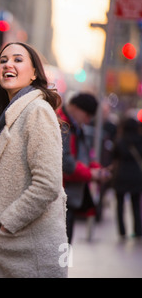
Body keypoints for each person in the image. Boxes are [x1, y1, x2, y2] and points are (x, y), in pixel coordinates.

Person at [0, 42, 68, 278]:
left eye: (17, 59)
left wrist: (6, 224)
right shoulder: (11, 114)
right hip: (12, 252)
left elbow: (47, 184)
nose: (8, 65)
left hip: (27, 253)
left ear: (34, 73)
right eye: (3, 61)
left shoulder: (37, 110)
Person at [57, 92, 110, 244]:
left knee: (65, 249)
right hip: (61, 197)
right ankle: (61, 268)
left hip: (70, 197)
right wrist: (91, 174)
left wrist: (97, 170)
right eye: (87, 115)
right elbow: (66, 163)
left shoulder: (75, 126)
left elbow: (86, 156)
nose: (87, 120)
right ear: (75, 107)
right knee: (61, 250)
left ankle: (63, 268)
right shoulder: (64, 125)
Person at [111, 117, 142, 239]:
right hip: (136, 175)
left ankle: (122, 231)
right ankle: (138, 230)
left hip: (121, 175)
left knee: (120, 205)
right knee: (136, 204)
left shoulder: (119, 140)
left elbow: (114, 156)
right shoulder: (140, 140)